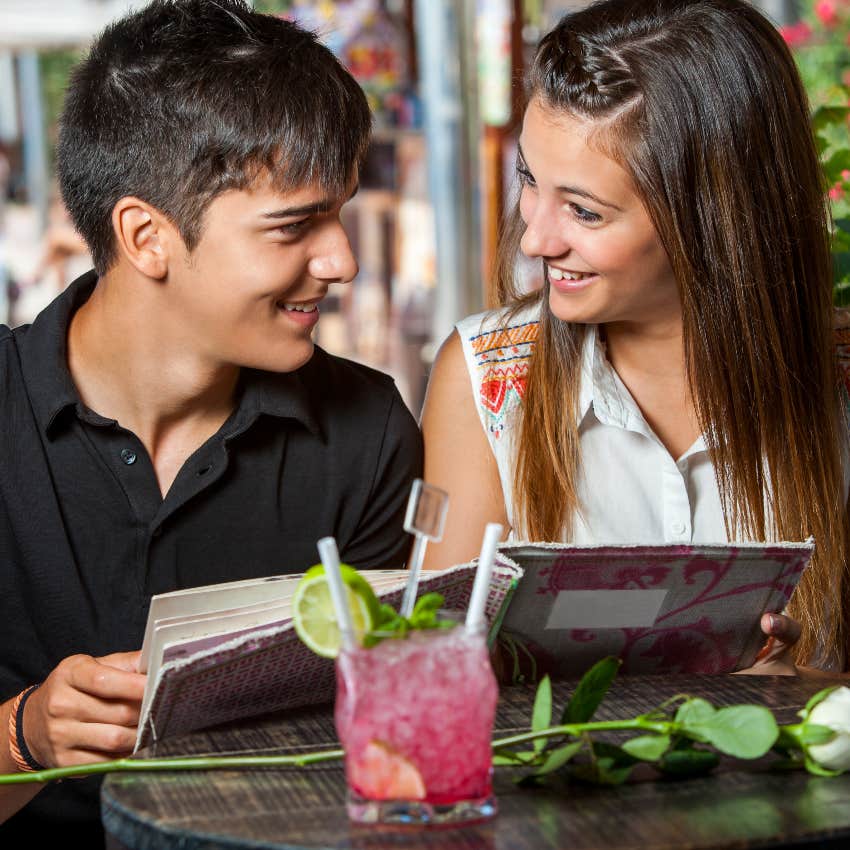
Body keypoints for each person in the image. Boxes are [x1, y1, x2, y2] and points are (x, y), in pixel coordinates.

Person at [0, 0, 422, 842]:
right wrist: (24, 735)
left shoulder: (365, 430)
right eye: (293, 226)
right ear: (145, 236)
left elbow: (392, 748)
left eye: (338, 213)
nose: (339, 260)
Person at [421, 0, 850, 676]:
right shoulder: (484, 377)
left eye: (585, 211)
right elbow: (437, 669)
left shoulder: (837, 386)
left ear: (714, 218)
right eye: (531, 181)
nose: (535, 238)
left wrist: (804, 692)